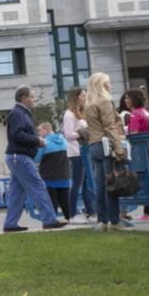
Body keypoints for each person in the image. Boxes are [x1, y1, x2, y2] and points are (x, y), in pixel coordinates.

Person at [2, 86, 67, 233]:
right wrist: (37, 140)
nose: (33, 99)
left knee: (17, 192)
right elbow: (17, 135)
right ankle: (49, 220)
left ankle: (10, 224)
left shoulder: (21, 113)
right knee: (38, 186)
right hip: (20, 157)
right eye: (31, 97)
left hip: (16, 157)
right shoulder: (18, 113)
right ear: (23, 98)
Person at [86, 73, 130, 232]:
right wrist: (119, 148)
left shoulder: (88, 103)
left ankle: (102, 221)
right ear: (102, 85)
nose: (110, 85)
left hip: (94, 146)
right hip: (106, 145)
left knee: (99, 185)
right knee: (111, 184)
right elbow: (110, 126)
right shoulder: (104, 101)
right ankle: (114, 221)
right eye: (108, 83)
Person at [124, 88, 149, 221]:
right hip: (148, 149)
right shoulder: (146, 112)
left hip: (139, 152)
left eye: (127, 98)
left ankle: (148, 212)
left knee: (143, 181)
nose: (125, 100)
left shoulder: (135, 115)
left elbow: (134, 134)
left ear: (133, 99)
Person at [62, 87, 94, 222]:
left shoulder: (81, 113)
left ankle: (91, 212)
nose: (84, 98)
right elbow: (68, 134)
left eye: (85, 96)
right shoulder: (69, 114)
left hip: (84, 151)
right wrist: (82, 132)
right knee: (77, 183)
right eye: (82, 96)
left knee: (86, 183)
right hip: (76, 152)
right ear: (76, 98)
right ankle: (72, 214)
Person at [35, 122, 72, 222]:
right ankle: (68, 217)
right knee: (64, 199)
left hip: (49, 176)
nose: (38, 133)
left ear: (45, 130)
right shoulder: (64, 140)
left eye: (39, 130)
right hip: (64, 175)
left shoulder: (44, 142)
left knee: (52, 200)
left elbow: (36, 159)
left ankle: (53, 219)